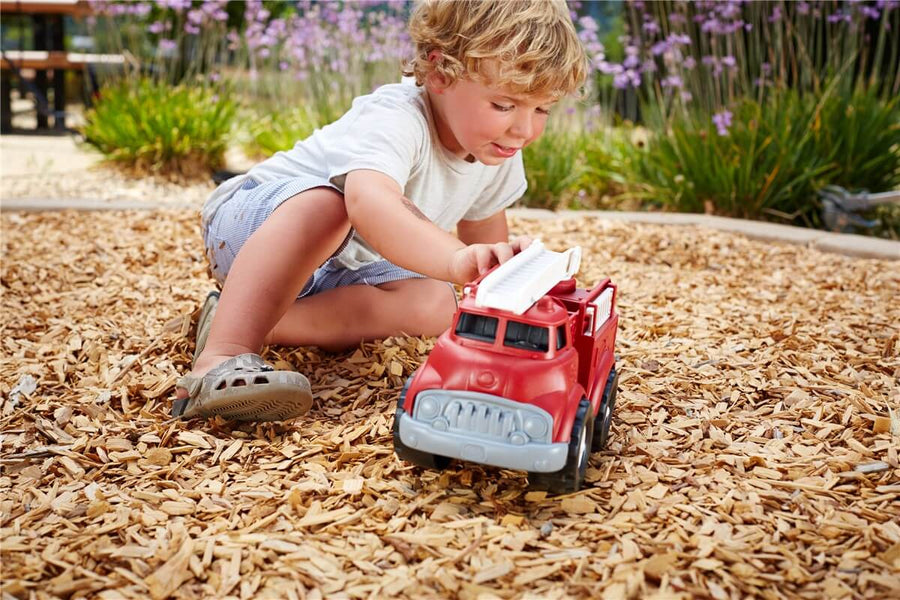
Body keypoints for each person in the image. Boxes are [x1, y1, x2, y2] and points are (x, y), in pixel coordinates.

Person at [172, 0, 589, 421]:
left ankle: (245, 317)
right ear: (441, 71)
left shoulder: (497, 150)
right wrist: (453, 257)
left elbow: (485, 244)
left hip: (342, 271)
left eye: (542, 109)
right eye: (504, 105)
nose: (525, 129)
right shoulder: (396, 117)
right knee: (331, 206)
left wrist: (513, 296)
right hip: (253, 230)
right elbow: (369, 202)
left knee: (437, 303)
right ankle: (221, 355)